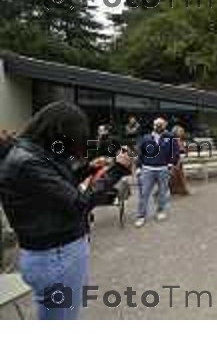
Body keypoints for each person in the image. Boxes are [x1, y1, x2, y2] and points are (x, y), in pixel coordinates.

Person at [0, 101, 132, 320]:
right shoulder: (28, 163)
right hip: (56, 256)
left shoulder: (30, 154)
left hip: (52, 254)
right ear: (58, 132)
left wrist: (89, 168)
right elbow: (79, 203)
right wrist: (117, 170)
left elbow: (57, 187)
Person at [135, 117, 180, 227]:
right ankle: (141, 216)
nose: (159, 126)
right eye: (157, 124)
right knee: (144, 193)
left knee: (162, 192)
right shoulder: (146, 138)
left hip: (163, 169)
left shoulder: (170, 138)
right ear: (153, 125)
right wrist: (138, 167)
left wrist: (171, 163)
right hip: (147, 169)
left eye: (161, 124)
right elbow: (140, 153)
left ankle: (160, 211)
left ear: (165, 125)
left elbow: (175, 152)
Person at [170, 124, 190, 196]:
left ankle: (179, 190)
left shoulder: (181, 141)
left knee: (179, 175)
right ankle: (178, 190)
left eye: (182, 131)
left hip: (179, 160)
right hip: (175, 160)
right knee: (175, 175)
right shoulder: (173, 140)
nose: (182, 132)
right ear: (176, 132)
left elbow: (184, 150)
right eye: (180, 131)